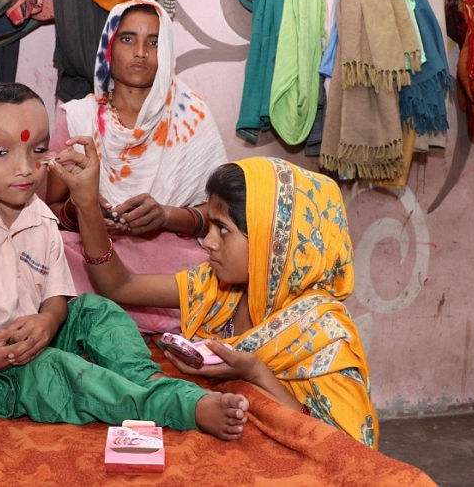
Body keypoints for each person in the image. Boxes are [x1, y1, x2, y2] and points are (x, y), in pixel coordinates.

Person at [0, 81, 249, 440]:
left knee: (94, 309)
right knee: (58, 371)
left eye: (38, 150)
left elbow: (57, 295)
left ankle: (145, 377)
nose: (25, 167)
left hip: (36, 337)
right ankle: (175, 405)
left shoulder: (41, 217)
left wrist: (48, 321)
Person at [49, 139, 380, 448]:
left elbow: (342, 448)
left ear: (271, 244)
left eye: (224, 229)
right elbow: (119, 285)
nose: (208, 241)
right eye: (211, 227)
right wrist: (87, 203)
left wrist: (254, 372)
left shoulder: (325, 335)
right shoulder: (224, 289)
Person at [45, 0, 229, 335]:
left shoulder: (192, 116)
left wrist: (166, 216)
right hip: (92, 248)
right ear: (108, 48)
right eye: (128, 39)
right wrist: (85, 212)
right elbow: (50, 208)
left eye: (154, 42)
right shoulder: (77, 117)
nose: (141, 51)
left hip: (167, 249)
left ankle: (106, 320)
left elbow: (219, 215)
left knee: (216, 272)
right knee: (47, 254)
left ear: (167, 50)